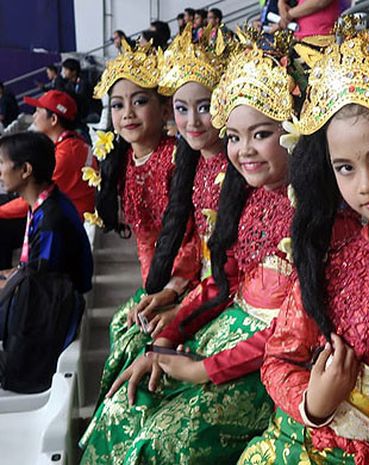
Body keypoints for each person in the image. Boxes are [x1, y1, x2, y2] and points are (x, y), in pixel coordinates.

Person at [80, 30, 308, 465]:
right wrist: (168, 335)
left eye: (260, 134)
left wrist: (202, 367)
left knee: (169, 439)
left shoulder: (317, 214)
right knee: (125, 406)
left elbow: (294, 331)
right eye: (236, 137)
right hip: (223, 321)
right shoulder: (247, 193)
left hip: (269, 357)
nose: (242, 152)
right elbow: (224, 278)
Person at [237, 2, 369, 464]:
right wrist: (314, 402)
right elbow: (279, 359)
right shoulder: (331, 260)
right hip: (300, 438)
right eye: (345, 167)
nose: (365, 185)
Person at [92, 24, 231, 406]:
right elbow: (144, 239)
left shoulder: (180, 157)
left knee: (136, 344)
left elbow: (189, 238)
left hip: (193, 280)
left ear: (162, 107)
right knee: (124, 328)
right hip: (164, 280)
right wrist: (152, 290)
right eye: (117, 105)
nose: (127, 114)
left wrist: (170, 292)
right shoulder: (121, 163)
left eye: (139, 101)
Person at [0, 132, 93, 393]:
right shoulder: (46, 203)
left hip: (44, 322)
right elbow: (32, 271)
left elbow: (39, 285)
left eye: (1, 163)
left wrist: (8, 282)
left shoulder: (52, 219)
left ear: (26, 169)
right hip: (42, 303)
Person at [0, 90, 95, 269]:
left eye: (39, 111)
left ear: (53, 120)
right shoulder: (73, 143)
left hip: (67, 220)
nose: (34, 115)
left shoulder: (66, 155)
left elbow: (34, 196)